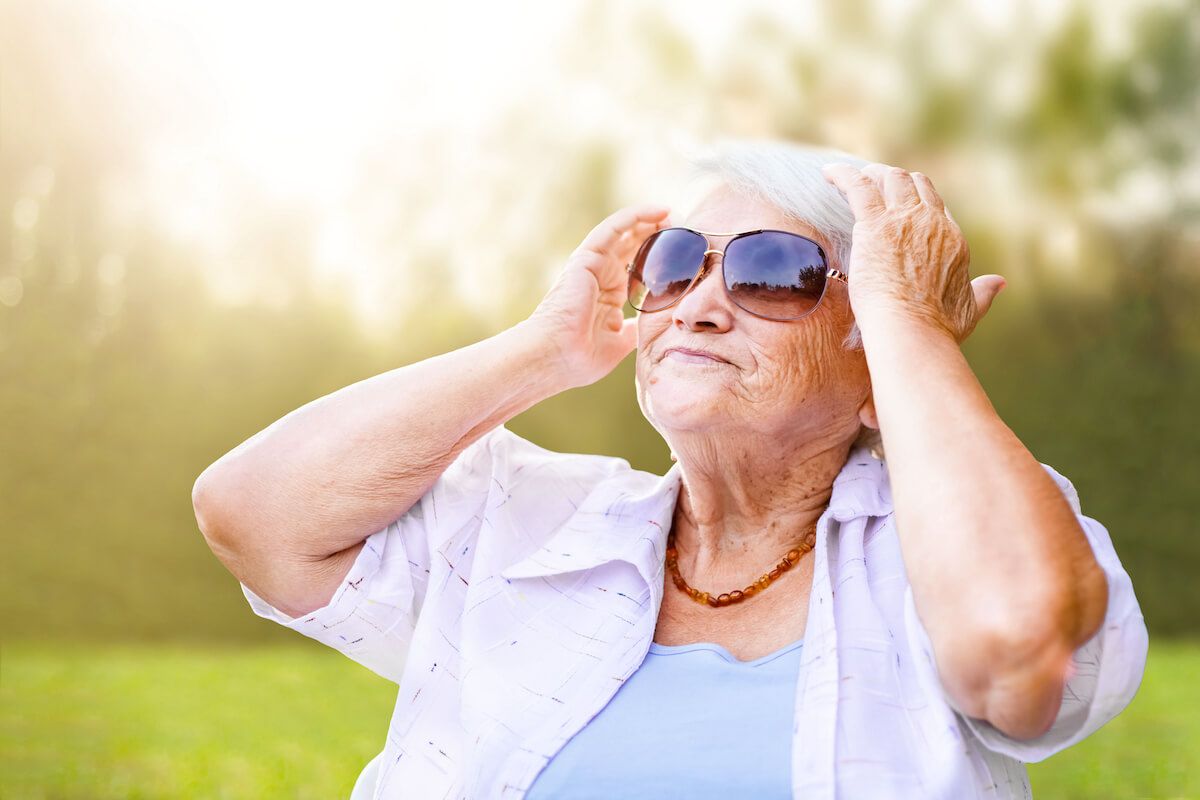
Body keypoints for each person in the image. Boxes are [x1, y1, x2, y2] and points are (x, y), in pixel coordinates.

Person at [192, 141, 1148, 799]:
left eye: (773, 271)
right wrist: (543, 352)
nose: (697, 303)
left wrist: (911, 331)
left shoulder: (961, 543)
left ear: (877, 340)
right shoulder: (526, 528)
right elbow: (252, 515)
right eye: (678, 261)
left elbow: (1017, 646)